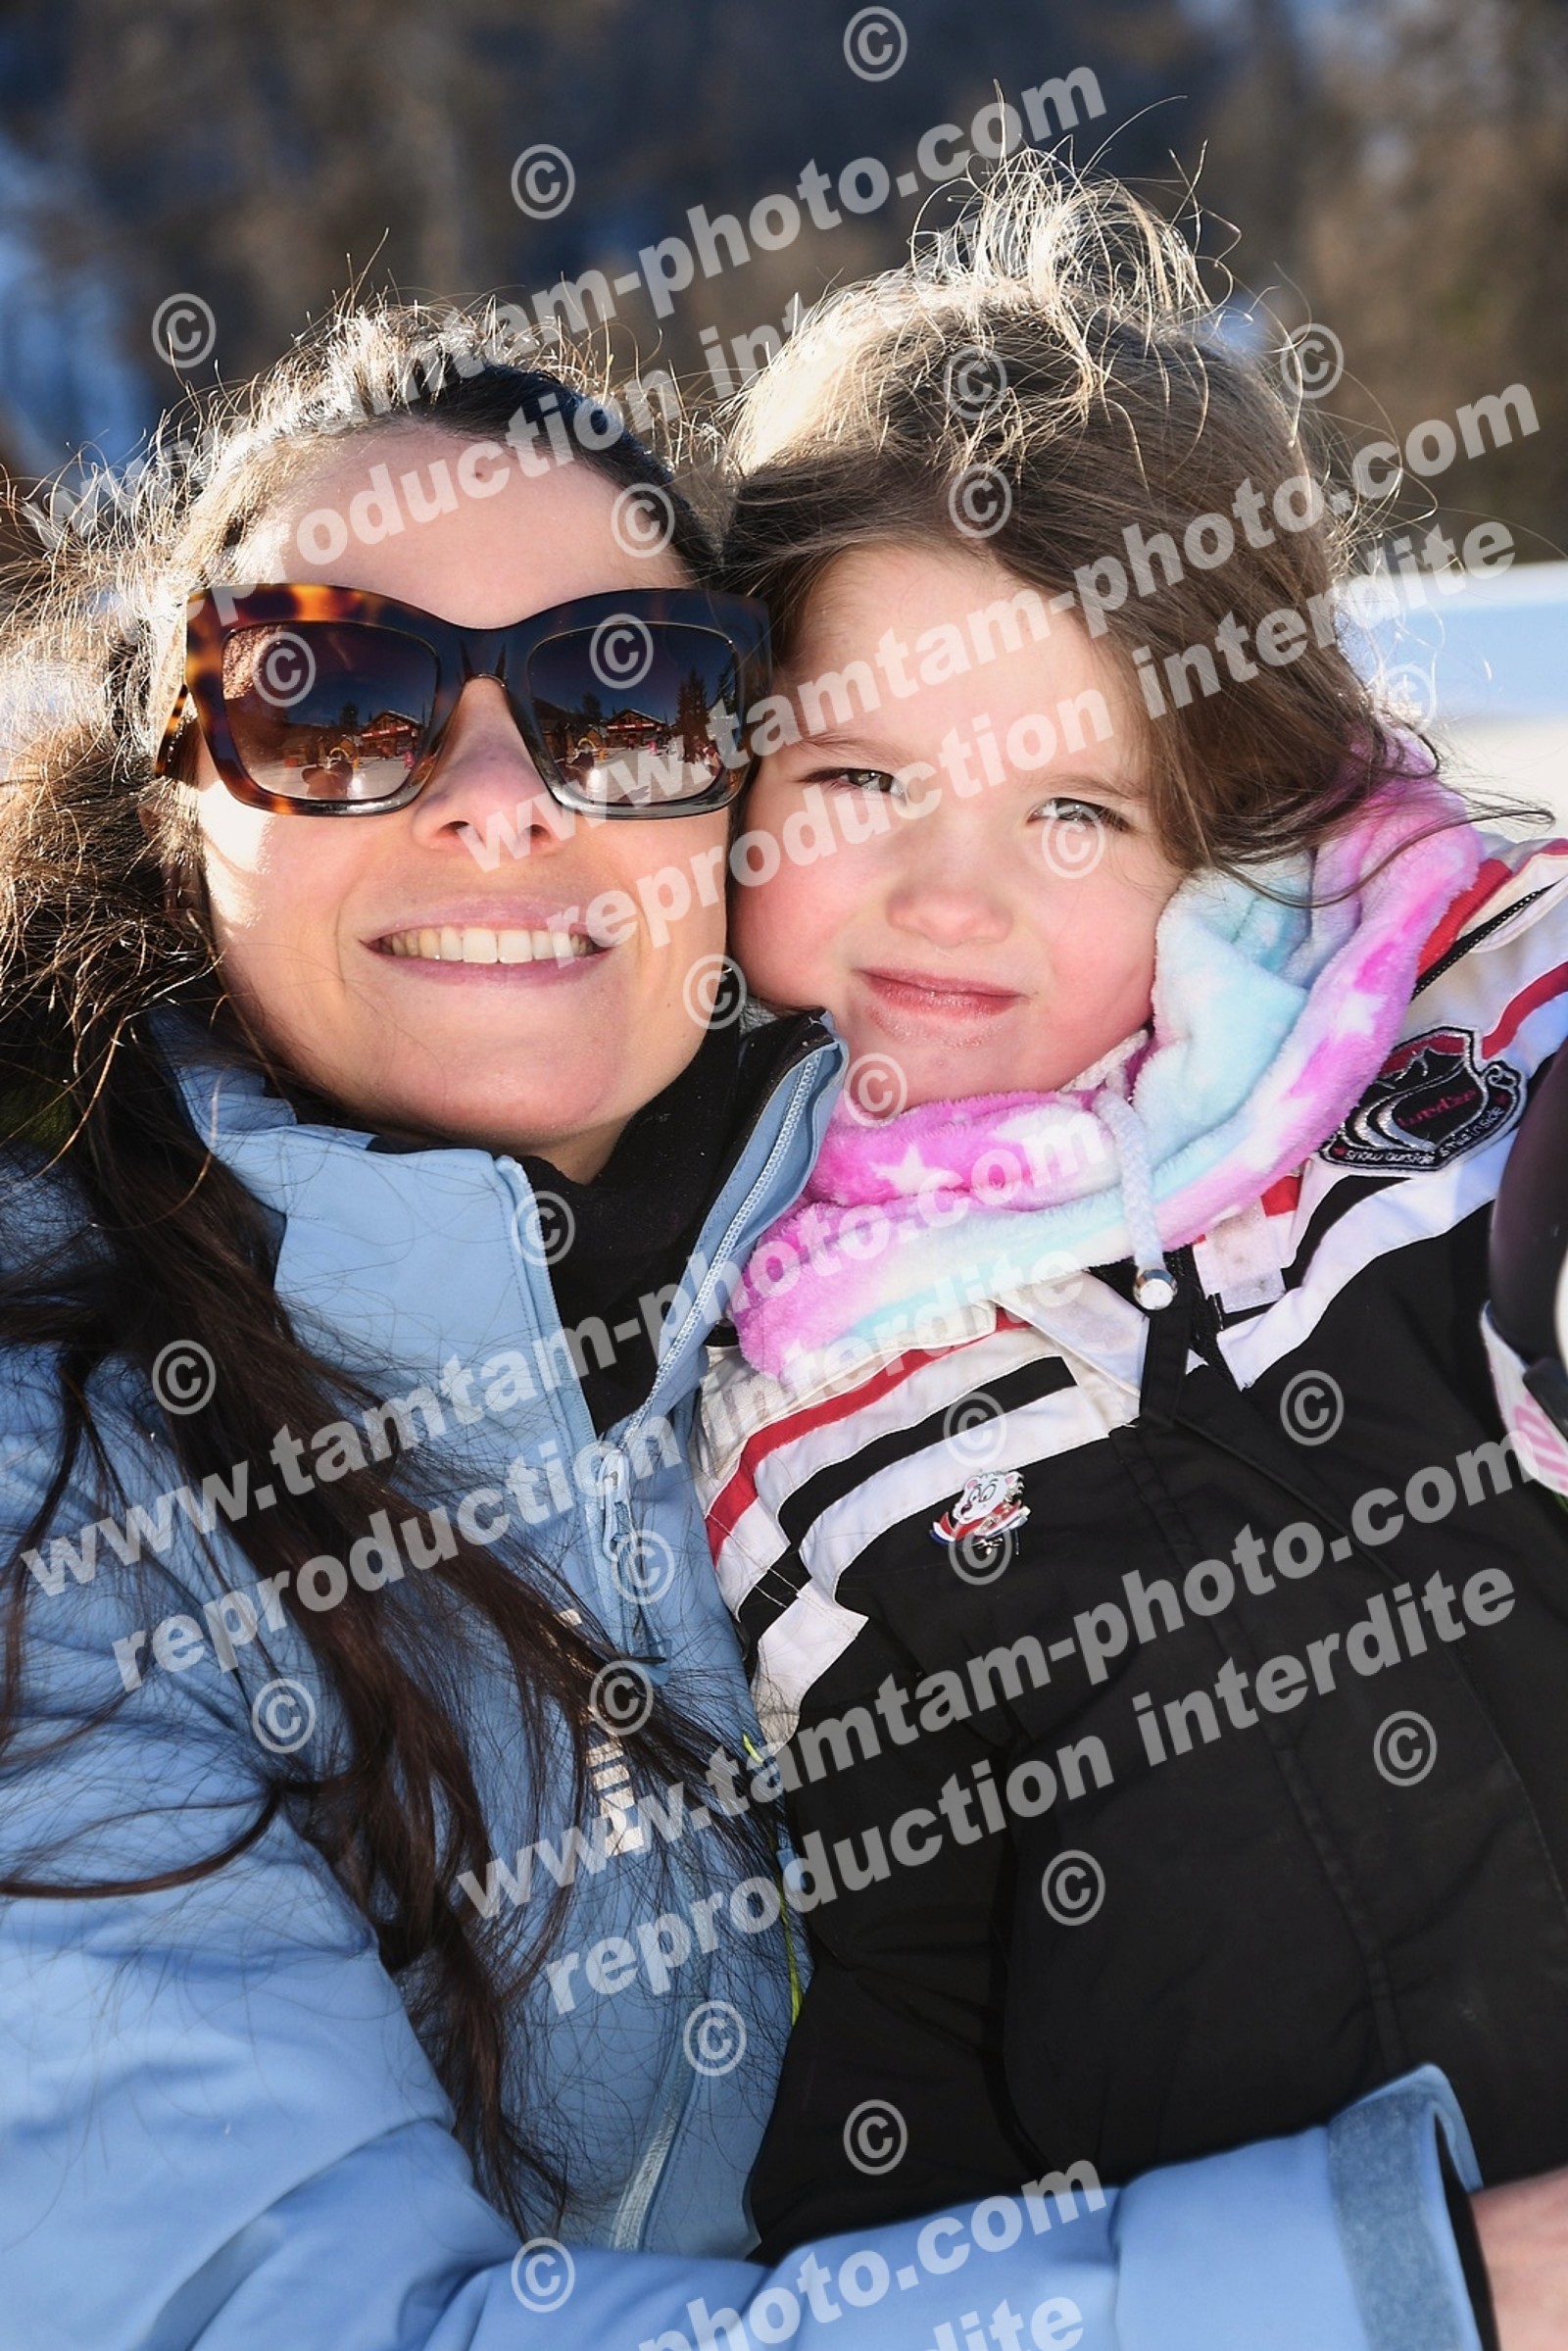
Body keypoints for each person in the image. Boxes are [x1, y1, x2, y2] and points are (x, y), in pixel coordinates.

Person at [0, 293, 1463, 2351]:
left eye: (622, 694)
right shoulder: (59, 1492)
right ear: (179, 789)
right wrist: (1408, 2280)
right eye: (332, 693)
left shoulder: (948, 1251)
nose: (497, 797)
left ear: (730, 788)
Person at [697, 156, 1568, 2349]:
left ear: (1226, 821)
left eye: (1072, 809)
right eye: (860, 778)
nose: (951, 897)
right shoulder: (775, 1404)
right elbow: (890, 2024)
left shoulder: (1468, 1042)